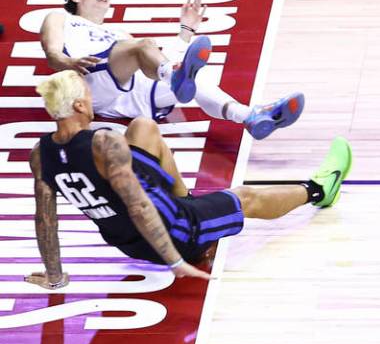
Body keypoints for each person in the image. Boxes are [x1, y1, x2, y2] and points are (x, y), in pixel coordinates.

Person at [24, 70, 350, 288]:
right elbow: (138, 206)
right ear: (79, 104)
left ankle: (188, 202)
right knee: (244, 196)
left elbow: (45, 219)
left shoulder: (41, 152)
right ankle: (319, 189)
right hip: (175, 231)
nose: (93, 97)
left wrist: (54, 276)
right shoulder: (103, 142)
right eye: (88, 93)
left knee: (144, 127)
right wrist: (177, 260)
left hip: (126, 242)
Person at [39, 0, 303, 138]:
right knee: (145, 49)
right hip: (88, 80)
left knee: (195, 77)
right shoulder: (61, 17)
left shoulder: (118, 33)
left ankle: (251, 116)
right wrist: (67, 63)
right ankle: (174, 76)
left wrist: (186, 30)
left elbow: (153, 67)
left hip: (130, 98)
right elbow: (52, 53)